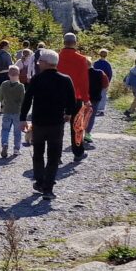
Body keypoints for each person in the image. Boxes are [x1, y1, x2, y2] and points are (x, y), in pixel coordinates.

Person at [20, 52, 82, 197]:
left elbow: (27, 100)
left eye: (40, 61)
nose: (37, 63)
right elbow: (72, 101)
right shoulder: (66, 79)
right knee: (54, 156)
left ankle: (40, 181)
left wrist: (23, 118)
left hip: (39, 123)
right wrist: (68, 113)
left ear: (47, 63)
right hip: (56, 123)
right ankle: (48, 188)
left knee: (38, 153)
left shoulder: (37, 79)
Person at [56, 33, 93, 160]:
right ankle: (78, 152)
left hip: (58, 98)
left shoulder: (57, 57)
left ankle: (56, 155)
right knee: (77, 126)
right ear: (75, 42)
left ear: (63, 41)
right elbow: (83, 81)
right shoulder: (81, 59)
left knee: (57, 127)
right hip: (75, 97)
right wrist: (86, 99)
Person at [0, 65, 25, 157]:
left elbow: (0, 96)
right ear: (18, 75)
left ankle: (4, 143)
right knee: (17, 131)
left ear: (8, 74)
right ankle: (16, 149)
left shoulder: (4, 84)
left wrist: (3, 102)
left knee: (5, 129)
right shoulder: (21, 86)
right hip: (17, 112)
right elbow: (23, 100)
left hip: (7, 110)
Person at [87, 60, 109, 148]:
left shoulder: (81, 73)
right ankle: (87, 133)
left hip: (83, 98)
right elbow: (105, 85)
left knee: (82, 115)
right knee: (92, 116)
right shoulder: (100, 73)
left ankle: (80, 132)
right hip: (95, 97)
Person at [92, 49, 114, 120]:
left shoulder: (95, 63)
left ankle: (95, 108)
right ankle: (101, 110)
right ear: (106, 55)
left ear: (99, 54)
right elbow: (110, 74)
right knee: (103, 95)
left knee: (95, 94)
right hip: (104, 82)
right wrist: (108, 82)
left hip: (95, 82)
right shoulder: (107, 64)